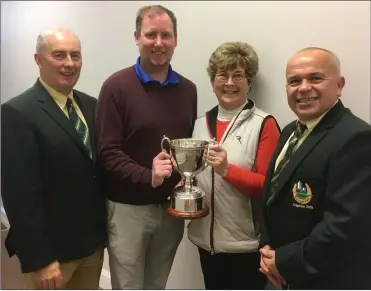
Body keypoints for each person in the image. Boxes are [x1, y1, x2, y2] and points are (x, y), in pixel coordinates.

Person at [95, 4, 198, 289]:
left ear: (176, 39)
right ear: (137, 37)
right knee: (128, 286)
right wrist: (147, 175)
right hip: (128, 209)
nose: (158, 43)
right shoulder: (116, 86)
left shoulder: (189, 90)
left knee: (157, 284)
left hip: (171, 210)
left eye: (166, 35)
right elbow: (107, 152)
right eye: (151, 34)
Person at [1, 28, 106, 289]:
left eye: (75, 56)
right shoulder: (17, 113)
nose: (69, 64)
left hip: (91, 248)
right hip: (52, 258)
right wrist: (40, 259)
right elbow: (19, 195)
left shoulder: (91, 105)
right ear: (38, 59)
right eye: (59, 55)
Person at [259, 47, 371, 289]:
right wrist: (268, 251)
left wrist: (284, 261)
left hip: (326, 277)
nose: (303, 88)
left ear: (339, 85)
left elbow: (345, 227)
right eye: (294, 81)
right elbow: (273, 195)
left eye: (315, 78)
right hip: (284, 270)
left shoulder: (356, 138)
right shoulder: (290, 130)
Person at [187, 42, 280, 290]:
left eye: (238, 75)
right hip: (204, 242)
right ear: (212, 81)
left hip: (245, 246)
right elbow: (193, 175)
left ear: (249, 82)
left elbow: (268, 187)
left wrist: (228, 170)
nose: (229, 83)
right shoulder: (198, 124)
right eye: (222, 75)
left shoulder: (264, 124)